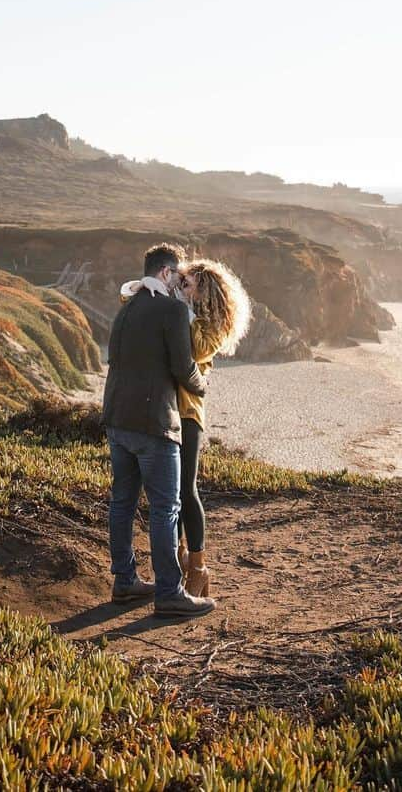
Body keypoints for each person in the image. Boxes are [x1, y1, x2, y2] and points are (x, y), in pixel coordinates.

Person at [102, 242, 216, 617]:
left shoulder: (126, 308)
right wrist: (203, 385)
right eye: (177, 276)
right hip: (154, 424)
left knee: (122, 503)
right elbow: (184, 369)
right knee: (166, 508)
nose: (179, 283)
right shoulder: (168, 310)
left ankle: (125, 582)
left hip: (117, 419)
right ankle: (169, 592)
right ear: (166, 273)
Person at [175, 258, 251, 599]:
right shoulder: (179, 310)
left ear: (204, 289)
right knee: (169, 494)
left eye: (187, 283)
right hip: (165, 408)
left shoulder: (212, 325)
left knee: (186, 489)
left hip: (188, 411)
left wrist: (183, 309)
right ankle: (177, 562)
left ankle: (200, 567)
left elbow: (199, 348)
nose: (181, 288)